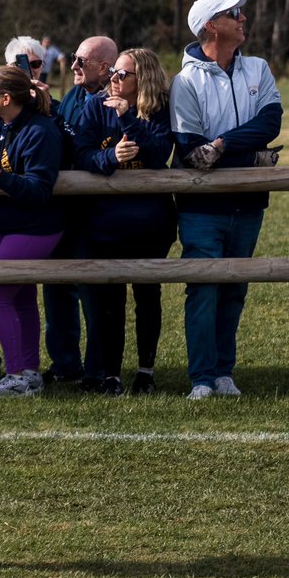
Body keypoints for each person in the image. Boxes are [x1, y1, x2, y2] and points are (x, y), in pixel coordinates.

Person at [170, 0, 283, 400]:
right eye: (233, 13)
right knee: (204, 289)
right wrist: (249, 154)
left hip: (249, 201)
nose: (242, 17)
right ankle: (201, 377)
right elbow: (191, 150)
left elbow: (270, 123)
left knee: (235, 289)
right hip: (202, 207)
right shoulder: (185, 81)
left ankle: (223, 372)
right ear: (211, 26)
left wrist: (221, 145)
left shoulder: (258, 67)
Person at [73, 48, 176, 396]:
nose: (113, 79)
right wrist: (110, 157)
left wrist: (128, 118)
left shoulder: (160, 108)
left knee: (148, 294)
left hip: (151, 221)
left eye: (122, 74)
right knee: (110, 298)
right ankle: (111, 374)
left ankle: (146, 372)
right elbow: (82, 154)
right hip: (105, 222)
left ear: (142, 79)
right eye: (113, 72)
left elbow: (160, 153)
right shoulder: (95, 106)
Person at [0, 67, 63, 397]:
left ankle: (17, 375)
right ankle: (30, 374)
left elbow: (39, 190)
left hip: (36, 226)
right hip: (0, 224)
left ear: (6, 99)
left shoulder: (41, 131)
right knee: (20, 296)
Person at [45, 35, 119, 386]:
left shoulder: (118, 99)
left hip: (99, 211)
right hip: (62, 208)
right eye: (73, 58)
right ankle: (65, 364)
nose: (72, 65)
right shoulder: (73, 97)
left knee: (94, 291)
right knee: (56, 286)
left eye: (81, 61)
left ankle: (97, 369)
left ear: (104, 68)